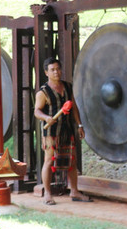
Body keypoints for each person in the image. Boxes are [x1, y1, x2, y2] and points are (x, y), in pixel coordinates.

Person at [34, 57, 90, 205]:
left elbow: (74, 107)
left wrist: (79, 125)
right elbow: (37, 112)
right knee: (49, 161)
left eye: (58, 69)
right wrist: (46, 118)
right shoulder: (43, 92)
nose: (56, 72)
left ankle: (75, 191)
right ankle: (47, 193)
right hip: (51, 132)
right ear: (46, 72)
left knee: (72, 161)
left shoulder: (68, 86)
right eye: (52, 70)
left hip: (67, 129)